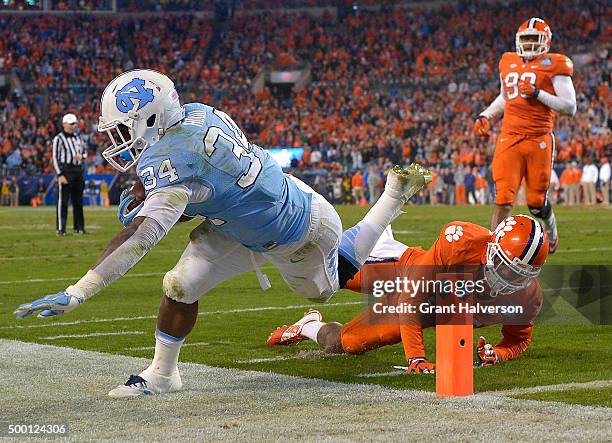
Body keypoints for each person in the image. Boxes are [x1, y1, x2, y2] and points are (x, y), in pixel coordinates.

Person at [14, 69, 432, 398]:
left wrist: (79, 291)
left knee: (325, 289)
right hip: (241, 220)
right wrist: (162, 201)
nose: (120, 140)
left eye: (124, 129)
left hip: (298, 227)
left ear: (151, 118)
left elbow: (144, 235)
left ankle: (392, 199)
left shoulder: (172, 159)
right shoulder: (196, 112)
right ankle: (161, 375)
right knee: (181, 284)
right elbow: (207, 191)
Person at [268, 215, 548, 373]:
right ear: (491, 248)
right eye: (504, 265)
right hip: (414, 278)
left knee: (346, 343)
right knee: (330, 278)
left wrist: (498, 353)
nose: (507, 277)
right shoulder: (460, 244)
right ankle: (376, 233)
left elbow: (518, 340)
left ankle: (308, 327)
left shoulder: (528, 297)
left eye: (519, 274)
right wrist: (416, 357)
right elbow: (412, 297)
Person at [474, 17, 576, 253]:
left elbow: (570, 107)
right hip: (509, 135)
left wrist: (538, 93)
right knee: (503, 197)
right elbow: (505, 97)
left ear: (546, 42)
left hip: (539, 137)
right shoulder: (508, 61)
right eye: (526, 39)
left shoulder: (555, 64)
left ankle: (551, 230)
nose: (530, 45)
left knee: (536, 203)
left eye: (534, 39)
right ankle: (494, 251)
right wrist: (486, 116)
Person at [52, 113, 87, 235]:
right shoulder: (59, 138)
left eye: (75, 123)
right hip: (66, 171)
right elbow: (55, 158)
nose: (74, 126)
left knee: (78, 201)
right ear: (65, 124)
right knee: (63, 202)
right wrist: (60, 174)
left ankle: (79, 228)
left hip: (78, 170)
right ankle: (61, 229)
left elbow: (85, 152)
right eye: (71, 124)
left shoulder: (78, 137)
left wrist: (81, 157)